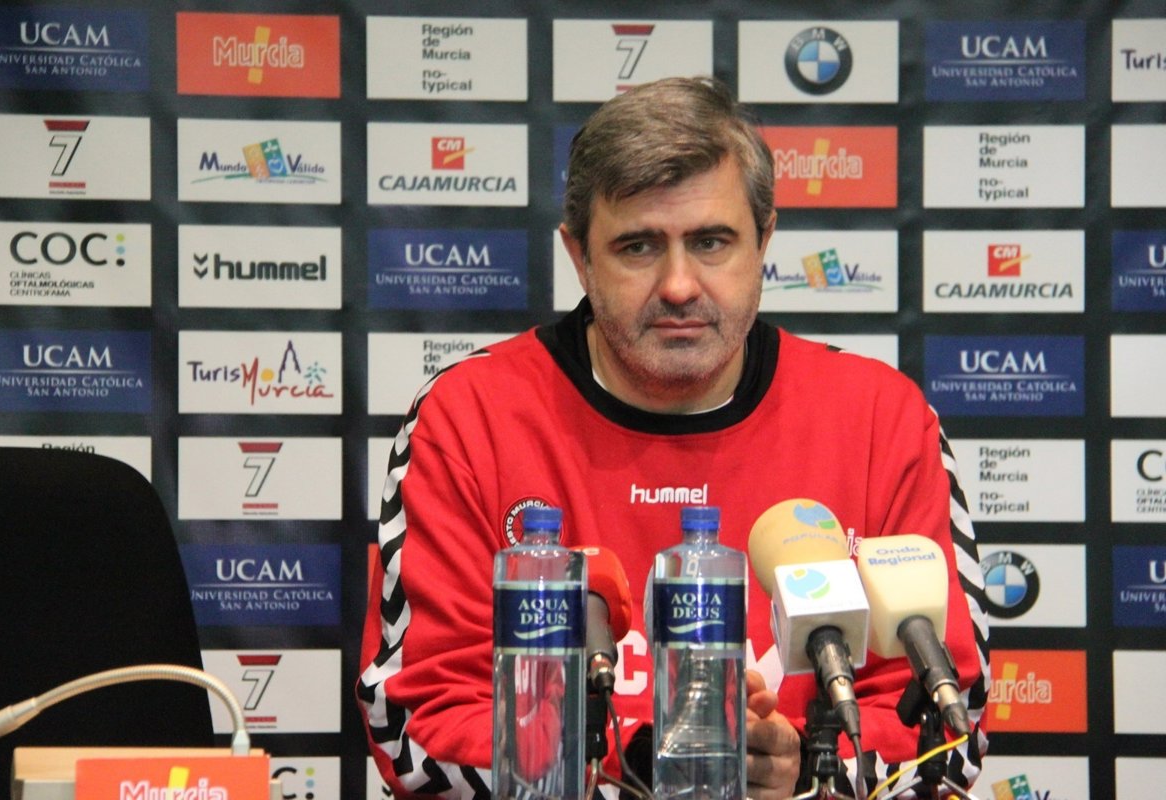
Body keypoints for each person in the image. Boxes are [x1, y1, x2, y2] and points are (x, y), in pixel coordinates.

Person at [357, 76, 989, 799]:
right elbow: (419, 723)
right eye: (638, 247)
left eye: (711, 241)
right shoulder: (470, 417)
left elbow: (948, 726)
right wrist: (639, 765)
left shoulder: (880, 419)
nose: (680, 285)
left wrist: (806, 773)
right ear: (579, 256)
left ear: (764, 241)